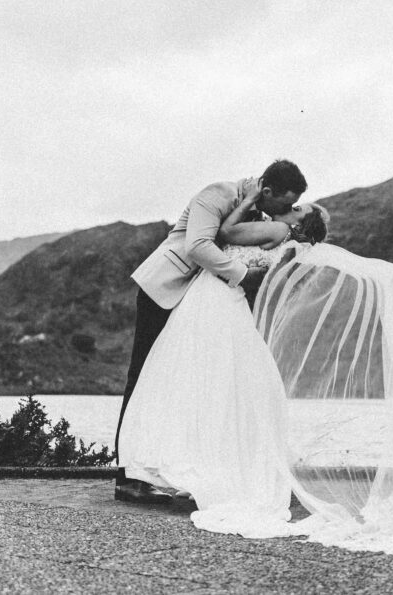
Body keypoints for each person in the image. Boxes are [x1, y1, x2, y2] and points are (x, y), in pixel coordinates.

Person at [118, 179, 328, 536]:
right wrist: (244, 270)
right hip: (166, 288)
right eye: (290, 201)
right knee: (144, 376)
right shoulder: (219, 194)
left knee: (191, 379)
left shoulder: (272, 223)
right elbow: (199, 245)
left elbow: (234, 239)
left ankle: (179, 466)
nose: (289, 208)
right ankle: (128, 476)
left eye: (297, 206)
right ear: (269, 191)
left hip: (206, 300)